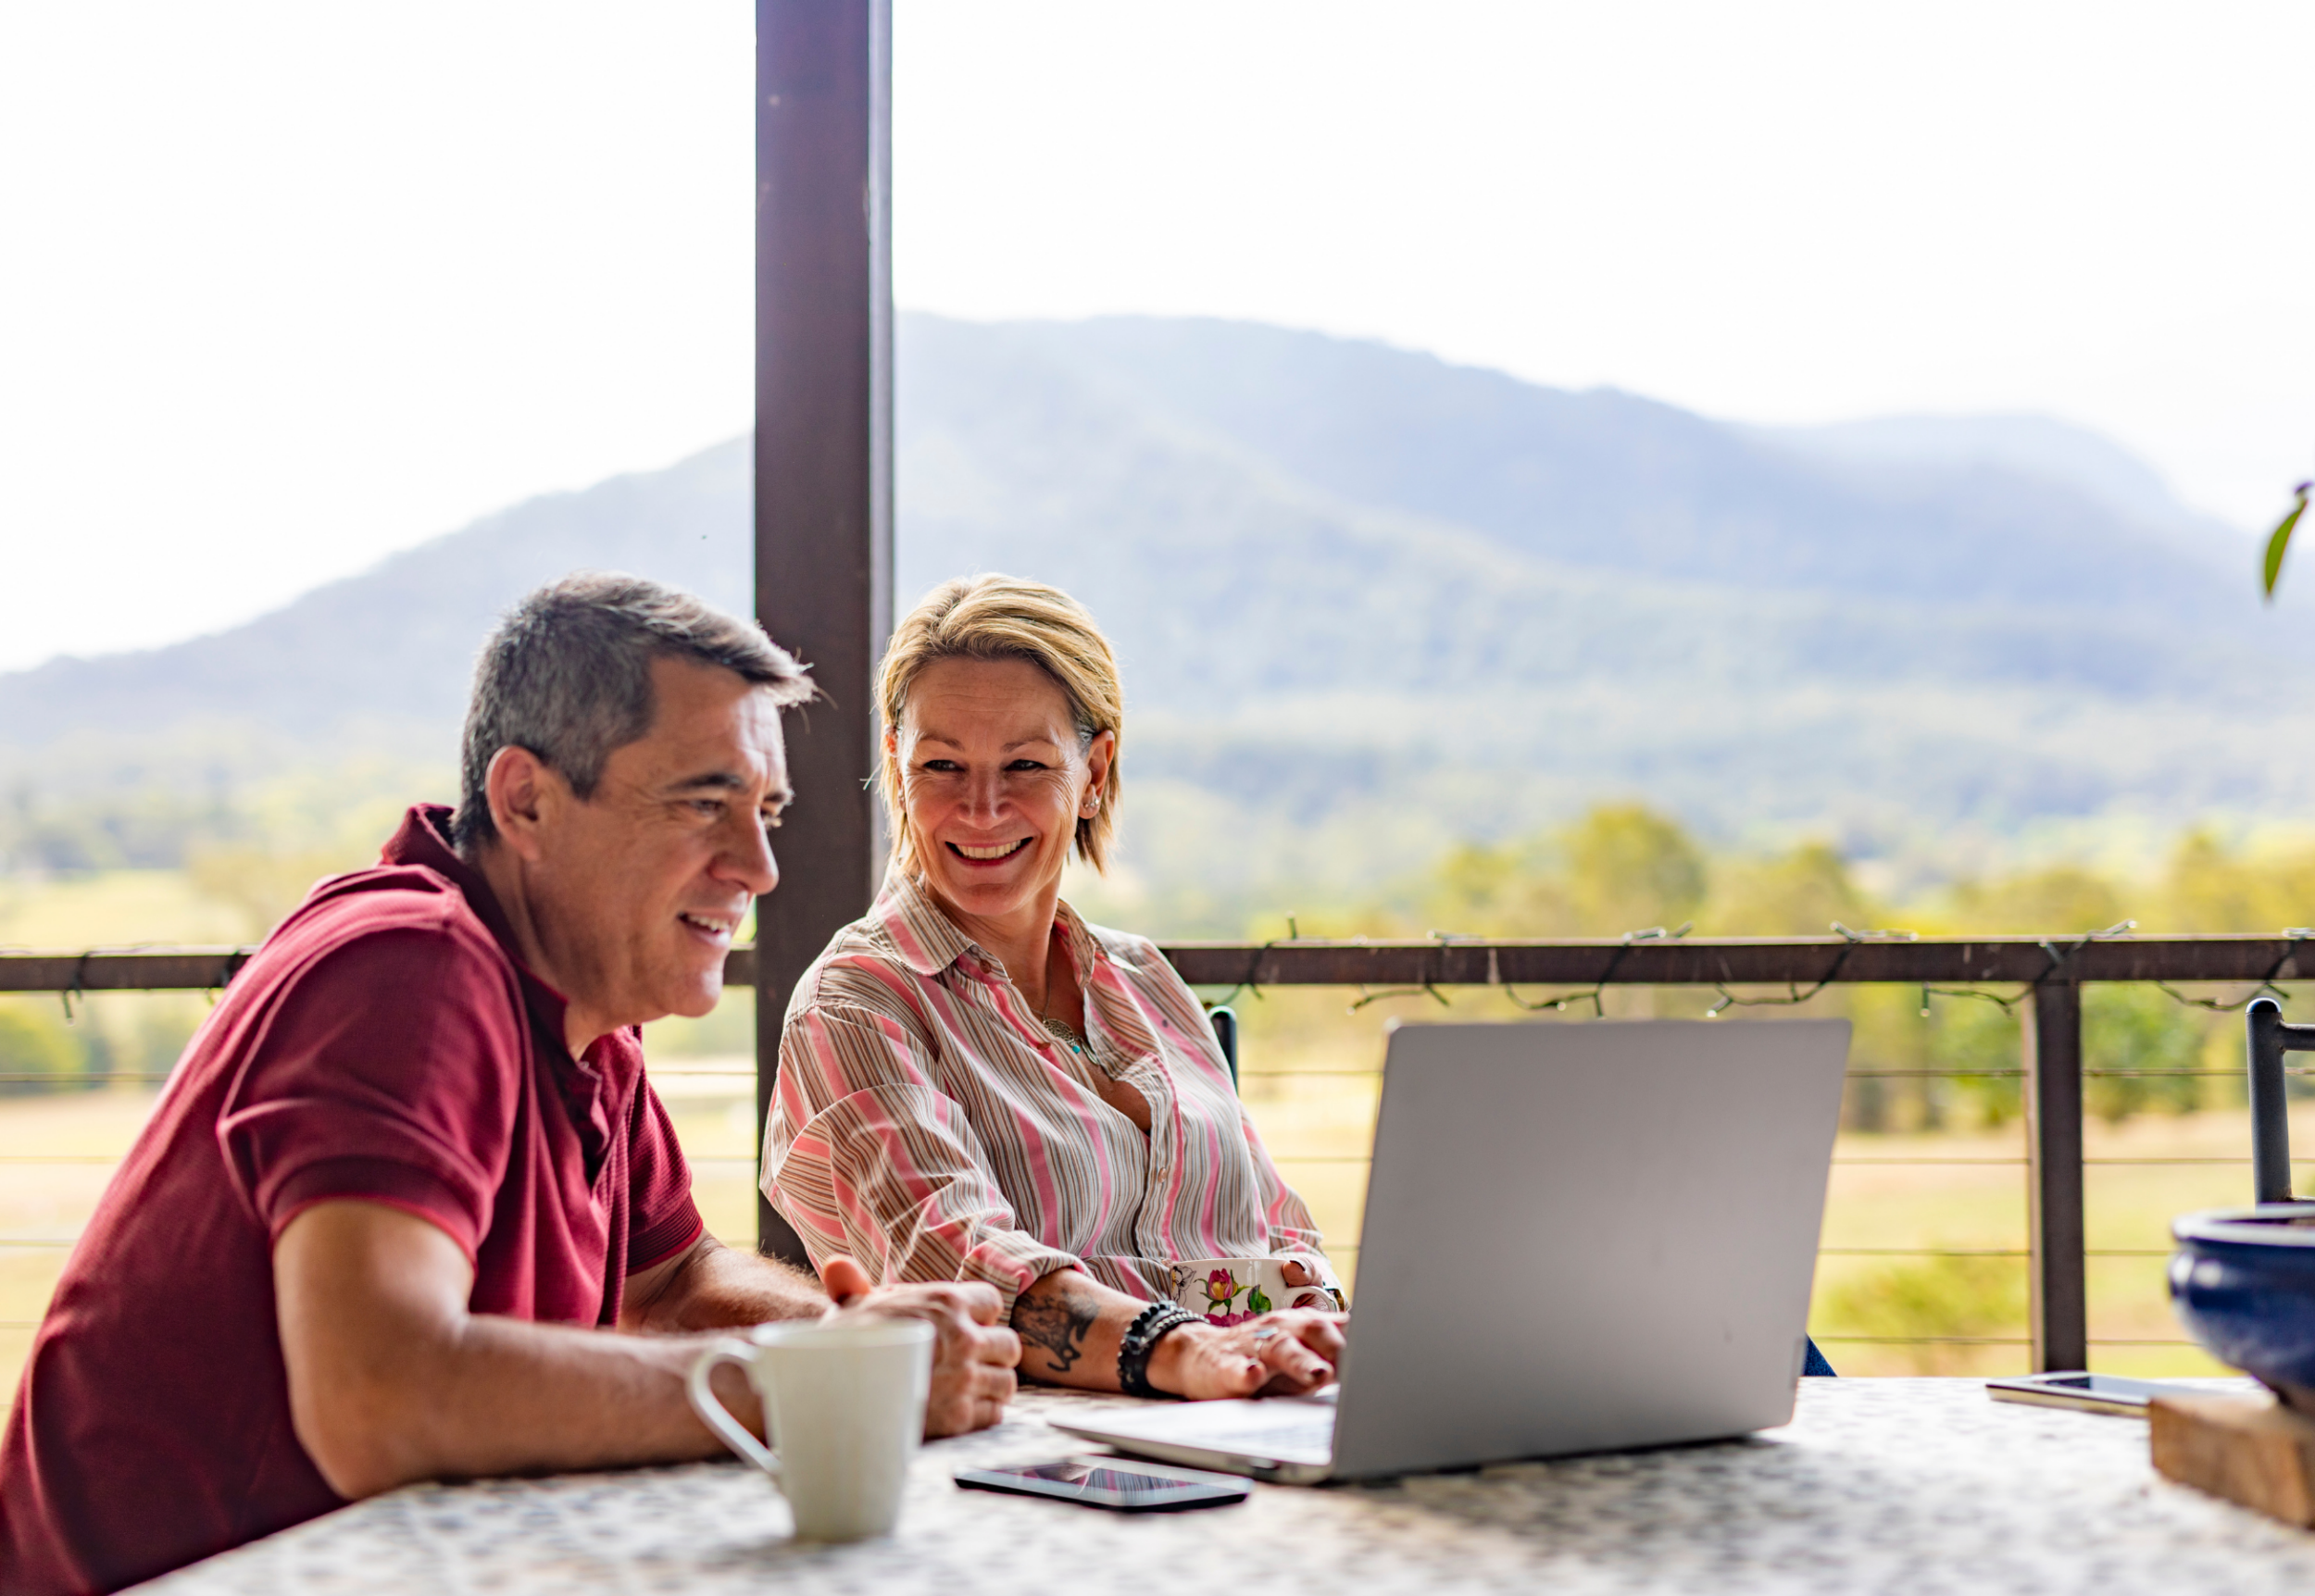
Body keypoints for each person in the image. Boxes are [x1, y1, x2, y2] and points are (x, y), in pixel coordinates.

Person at [0, 575, 1020, 1595]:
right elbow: (381, 1397)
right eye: (704, 804)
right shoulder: (408, 968)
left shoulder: (583, 1007)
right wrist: (811, 1386)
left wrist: (865, 1348)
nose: (758, 868)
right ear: (525, 799)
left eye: (767, 812)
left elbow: (674, 1286)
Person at [762, 575, 1346, 1403]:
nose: (982, 807)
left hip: (1252, 1415)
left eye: (1025, 765)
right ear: (897, 765)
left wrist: (1318, 1327)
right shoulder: (855, 1003)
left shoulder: (1146, 980)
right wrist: (1190, 1352)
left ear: (1094, 772)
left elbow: (1281, 1230)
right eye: (942, 765)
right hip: (1027, 1449)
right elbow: (959, 1265)